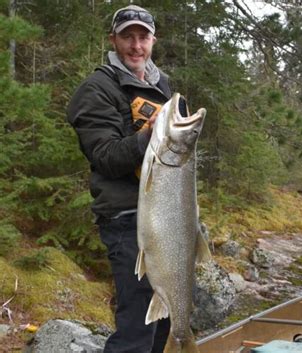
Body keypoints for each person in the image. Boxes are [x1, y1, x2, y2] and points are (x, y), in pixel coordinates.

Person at [67, 5, 172, 353]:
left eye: (143, 37)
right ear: (114, 40)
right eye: (128, 36)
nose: (136, 45)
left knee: (164, 317)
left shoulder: (161, 86)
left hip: (165, 218)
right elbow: (106, 157)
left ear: (153, 41)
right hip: (128, 220)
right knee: (137, 325)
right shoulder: (96, 89)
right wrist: (149, 136)